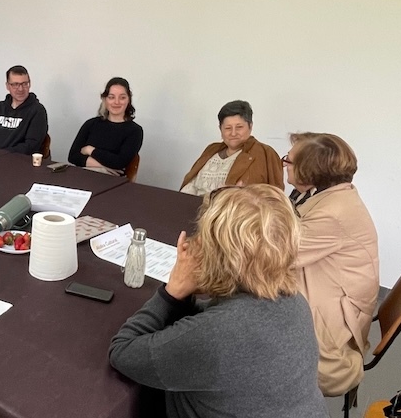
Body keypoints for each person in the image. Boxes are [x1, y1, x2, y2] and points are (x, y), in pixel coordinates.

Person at [109, 185, 327, 418]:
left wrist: (172, 292)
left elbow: (123, 353)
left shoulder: (216, 334)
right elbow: (216, 322)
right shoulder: (295, 302)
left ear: (217, 252)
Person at [285, 132, 379, 396]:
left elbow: (278, 255)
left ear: (308, 171)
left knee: (248, 304)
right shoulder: (326, 193)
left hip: (332, 338)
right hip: (333, 293)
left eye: (289, 161)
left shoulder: (332, 211)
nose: (284, 164)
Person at [180, 100, 283, 195]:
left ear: (250, 126)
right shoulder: (211, 149)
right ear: (220, 129)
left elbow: (276, 197)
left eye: (239, 127)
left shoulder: (265, 153)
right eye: (228, 128)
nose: (233, 133)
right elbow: (190, 185)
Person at [67, 77, 143, 175]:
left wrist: (90, 150)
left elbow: (119, 162)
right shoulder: (91, 124)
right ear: (105, 99)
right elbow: (73, 156)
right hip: (82, 176)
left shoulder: (135, 131)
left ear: (129, 100)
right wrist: (103, 166)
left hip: (111, 182)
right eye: (111, 97)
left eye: (122, 97)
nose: (116, 102)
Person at [0, 65, 49, 155]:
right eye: (15, 84)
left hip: (20, 161)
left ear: (30, 84)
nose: (20, 89)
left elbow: (31, 146)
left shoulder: (37, 111)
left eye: (24, 84)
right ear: (8, 86)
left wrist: (2, 154)